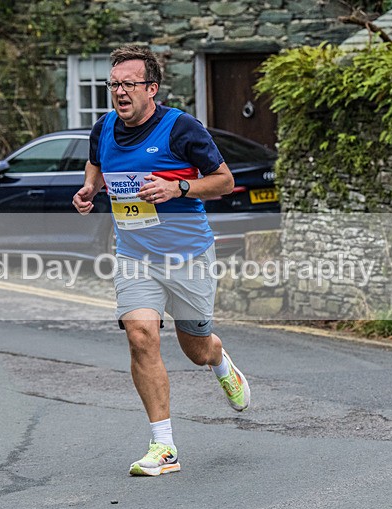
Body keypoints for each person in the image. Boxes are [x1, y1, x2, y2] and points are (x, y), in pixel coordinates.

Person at [72, 45, 250, 476]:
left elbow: (224, 181)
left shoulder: (180, 128)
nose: (119, 92)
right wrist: (89, 190)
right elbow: (96, 165)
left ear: (151, 89)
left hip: (188, 255)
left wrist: (178, 190)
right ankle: (164, 446)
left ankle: (220, 359)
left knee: (196, 350)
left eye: (128, 84)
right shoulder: (103, 128)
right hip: (134, 253)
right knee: (139, 334)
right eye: (113, 84)